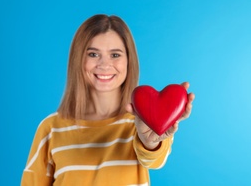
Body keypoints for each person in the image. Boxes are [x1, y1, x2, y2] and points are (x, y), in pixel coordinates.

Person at [21, 14, 195, 186]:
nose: (104, 65)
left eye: (115, 55)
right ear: (78, 60)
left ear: (129, 61)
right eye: (93, 54)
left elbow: (154, 160)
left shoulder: (145, 123)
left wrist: (149, 141)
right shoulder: (50, 128)